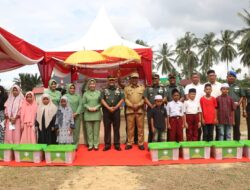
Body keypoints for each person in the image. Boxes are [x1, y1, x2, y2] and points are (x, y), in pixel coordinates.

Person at [101, 75, 124, 151]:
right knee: (107, 128)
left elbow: (122, 99)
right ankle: (107, 145)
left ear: (115, 81)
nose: (111, 82)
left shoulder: (119, 90)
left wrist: (116, 107)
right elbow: (102, 100)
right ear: (108, 81)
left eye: (113, 80)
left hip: (116, 111)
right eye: (110, 80)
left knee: (116, 128)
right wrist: (108, 107)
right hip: (106, 111)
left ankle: (117, 144)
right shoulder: (104, 90)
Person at [124, 72, 145, 150]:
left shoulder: (142, 87)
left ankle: (141, 143)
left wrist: (138, 104)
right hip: (130, 110)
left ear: (138, 79)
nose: (134, 79)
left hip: (139, 110)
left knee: (140, 128)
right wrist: (131, 105)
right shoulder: (126, 88)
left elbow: (144, 98)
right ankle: (129, 143)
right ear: (131, 79)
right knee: (130, 128)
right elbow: (125, 98)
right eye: (133, 78)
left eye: (136, 78)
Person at [144, 74, 166, 143]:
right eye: (153, 79)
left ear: (159, 80)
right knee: (151, 127)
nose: (155, 80)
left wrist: (159, 103)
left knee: (160, 126)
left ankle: (160, 143)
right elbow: (145, 98)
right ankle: (150, 143)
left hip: (160, 110)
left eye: (156, 79)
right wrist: (151, 105)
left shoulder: (162, 88)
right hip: (150, 110)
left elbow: (165, 98)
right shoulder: (148, 88)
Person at [82, 79, 101, 151]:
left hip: (97, 114)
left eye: (93, 84)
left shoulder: (98, 93)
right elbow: (83, 103)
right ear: (88, 85)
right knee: (89, 131)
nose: (92, 85)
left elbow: (101, 102)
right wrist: (88, 107)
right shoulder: (85, 94)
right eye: (90, 84)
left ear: (95, 85)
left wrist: (96, 107)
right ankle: (90, 145)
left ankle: (96, 145)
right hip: (88, 114)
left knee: (96, 131)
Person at [118, 76, 138, 144]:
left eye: (133, 79)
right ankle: (128, 139)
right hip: (128, 108)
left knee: (136, 124)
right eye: (130, 79)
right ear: (130, 80)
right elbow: (120, 84)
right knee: (129, 125)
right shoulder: (126, 87)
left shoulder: (139, 86)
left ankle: (136, 139)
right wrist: (118, 77)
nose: (132, 80)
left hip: (137, 108)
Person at [184, 72, 204, 140]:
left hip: (198, 110)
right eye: (194, 77)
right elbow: (187, 96)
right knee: (189, 130)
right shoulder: (188, 86)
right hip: (190, 110)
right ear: (191, 78)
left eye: (197, 77)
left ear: (199, 78)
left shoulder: (202, 86)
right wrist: (191, 103)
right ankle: (189, 144)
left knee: (198, 129)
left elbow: (203, 97)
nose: (195, 78)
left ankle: (196, 144)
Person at [227, 71, 245, 141]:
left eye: (233, 76)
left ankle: (236, 140)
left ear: (235, 78)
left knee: (236, 124)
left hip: (236, 108)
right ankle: (226, 141)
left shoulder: (238, 86)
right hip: (226, 109)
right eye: (229, 76)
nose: (231, 77)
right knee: (226, 125)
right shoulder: (224, 86)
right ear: (227, 77)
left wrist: (238, 103)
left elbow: (242, 96)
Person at [205, 69, 222, 141]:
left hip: (218, 109)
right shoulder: (205, 85)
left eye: (213, 75)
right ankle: (209, 144)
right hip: (208, 110)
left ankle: (217, 144)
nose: (212, 77)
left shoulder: (220, 85)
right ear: (208, 77)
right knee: (209, 130)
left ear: (215, 76)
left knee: (218, 128)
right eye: (210, 76)